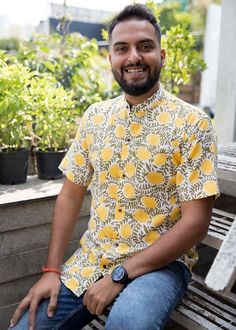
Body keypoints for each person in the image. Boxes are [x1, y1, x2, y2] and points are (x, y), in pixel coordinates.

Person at [10, 4, 219, 330]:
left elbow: (195, 224)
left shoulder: (192, 124)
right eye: (122, 48)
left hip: (161, 265)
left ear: (161, 55)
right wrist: (52, 271)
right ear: (111, 59)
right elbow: (69, 195)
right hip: (92, 260)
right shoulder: (96, 117)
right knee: (27, 326)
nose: (133, 56)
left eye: (145, 47)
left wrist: (120, 275)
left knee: (128, 324)